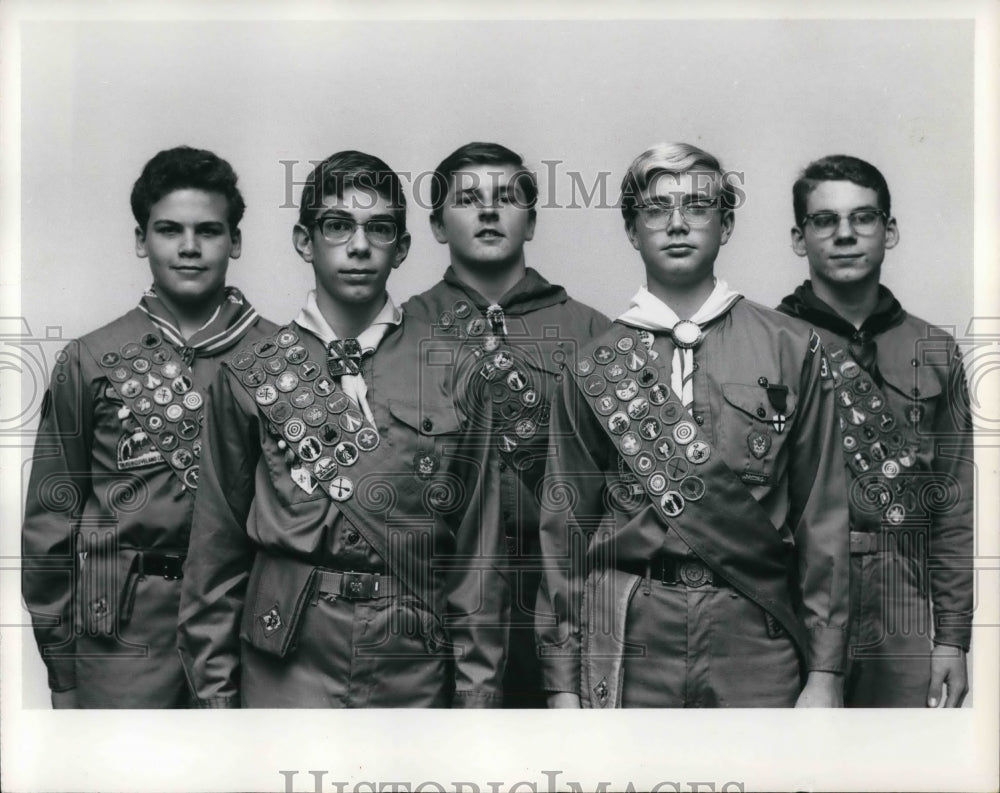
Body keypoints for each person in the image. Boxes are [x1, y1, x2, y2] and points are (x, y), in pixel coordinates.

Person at [177, 150, 508, 708]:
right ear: (305, 242)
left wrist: (478, 699)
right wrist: (214, 698)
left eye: (378, 229)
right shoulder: (253, 371)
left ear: (401, 249)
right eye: (337, 226)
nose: (359, 246)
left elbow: (479, 557)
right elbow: (214, 554)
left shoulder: (455, 368)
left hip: (410, 650)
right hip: (285, 652)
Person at [535, 142, 850, 708]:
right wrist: (561, 681)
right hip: (634, 630)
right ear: (632, 230)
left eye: (698, 207)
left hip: (755, 630)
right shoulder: (592, 366)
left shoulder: (792, 347)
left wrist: (826, 672)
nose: (677, 224)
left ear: (726, 224)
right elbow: (565, 532)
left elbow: (821, 517)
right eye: (656, 209)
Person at [21, 145, 276, 708]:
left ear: (235, 241)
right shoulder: (91, 359)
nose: (189, 247)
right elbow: (50, 521)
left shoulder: (281, 357)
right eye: (168, 230)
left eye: (208, 230)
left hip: (248, 623)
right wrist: (62, 666)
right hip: (122, 635)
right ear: (142, 240)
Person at [403, 142, 609, 707]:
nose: (489, 212)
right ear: (438, 226)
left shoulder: (594, 331)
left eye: (506, 199)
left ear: (532, 221)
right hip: (436, 597)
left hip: (563, 598)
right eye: (468, 199)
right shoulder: (400, 331)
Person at [777, 154, 973, 707]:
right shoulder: (768, 340)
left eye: (863, 218)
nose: (845, 234)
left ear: (889, 231)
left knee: (898, 769)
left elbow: (954, 504)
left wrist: (951, 637)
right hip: (795, 591)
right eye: (824, 220)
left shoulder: (933, 351)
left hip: (902, 597)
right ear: (799, 237)